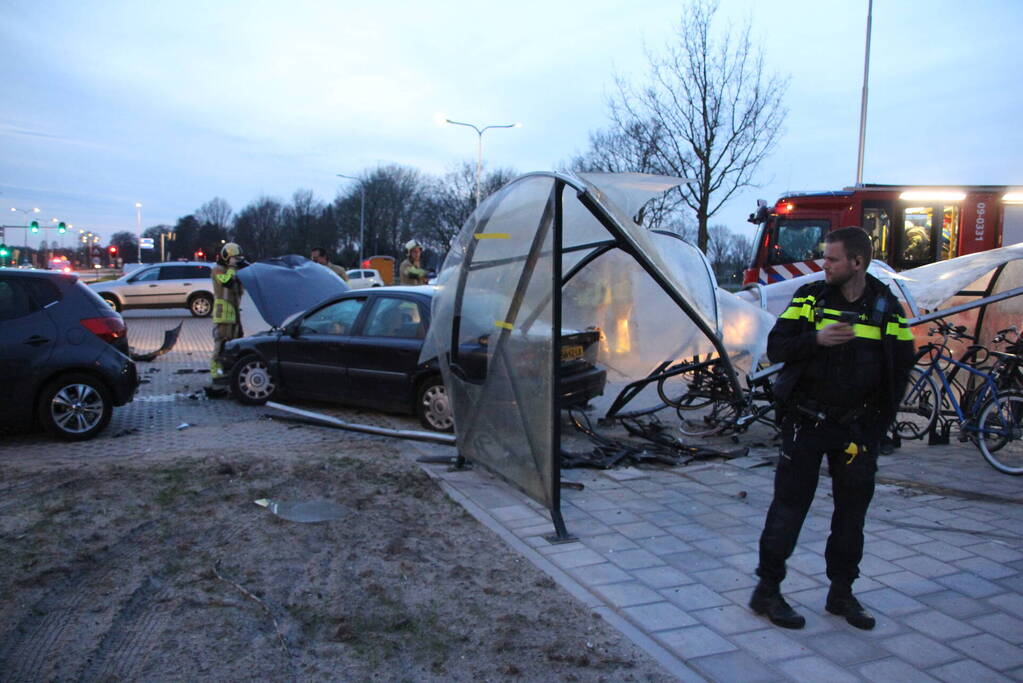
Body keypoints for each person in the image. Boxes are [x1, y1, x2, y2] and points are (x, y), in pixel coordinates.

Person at [750, 226, 914, 631]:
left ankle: (841, 592)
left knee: (851, 515)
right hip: (806, 422)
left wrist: (878, 427)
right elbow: (777, 348)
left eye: (832, 259)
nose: (824, 265)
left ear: (857, 262)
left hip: (857, 431)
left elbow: (902, 366)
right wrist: (816, 339)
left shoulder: (885, 305)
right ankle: (767, 591)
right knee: (789, 509)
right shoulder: (810, 299)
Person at [209, 242, 246, 379]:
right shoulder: (218, 270)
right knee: (221, 343)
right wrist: (231, 266)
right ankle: (216, 372)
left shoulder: (235, 271)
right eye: (235, 257)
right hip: (223, 313)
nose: (237, 260)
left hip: (234, 312)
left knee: (236, 342)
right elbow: (227, 282)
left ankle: (229, 369)